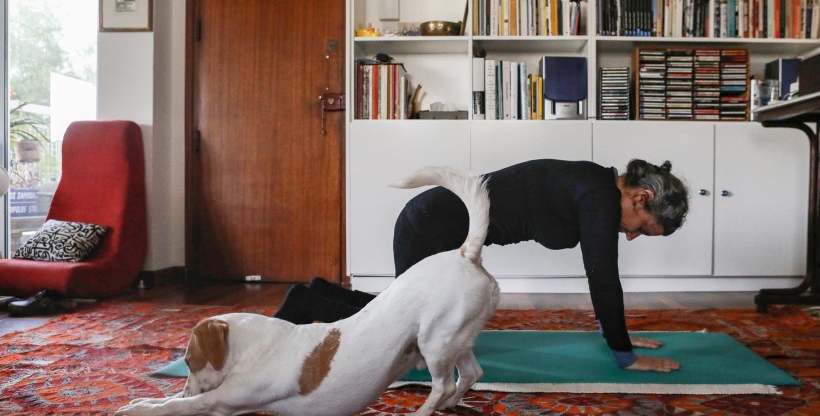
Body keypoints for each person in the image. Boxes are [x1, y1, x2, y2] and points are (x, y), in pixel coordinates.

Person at [275, 158, 689, 372]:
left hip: (434, 220)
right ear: (641, 199)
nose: (631, 236)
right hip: (431, 224)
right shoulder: (599, 196)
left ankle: (319, 294)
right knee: (401, 335)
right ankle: (305, 304)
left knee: (404, 320)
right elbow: (602, 275)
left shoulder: (594, 183)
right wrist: (624, 353)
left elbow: (600, 271)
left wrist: (614, 334)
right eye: (643, 229)